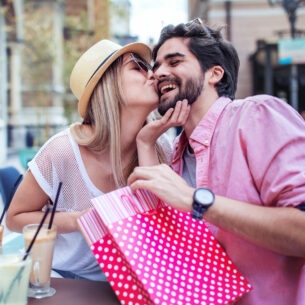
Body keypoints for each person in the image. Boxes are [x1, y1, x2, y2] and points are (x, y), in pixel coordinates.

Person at [128, 18, 305, 305]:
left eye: (174, 62)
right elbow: (161, 241)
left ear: (214, 74)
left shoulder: (257, 116)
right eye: (156, 66)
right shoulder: (176, 151)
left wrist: (195, 200)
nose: (159, 73)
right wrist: (144, 142)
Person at [6, 39, 189, 281]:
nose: (153, 73)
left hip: (126, 283)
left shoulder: (160, 145)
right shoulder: (62, 151)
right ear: (109, 86)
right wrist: (76, 219)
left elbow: (160, 233)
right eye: (137, 67)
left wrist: (146, 145)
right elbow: (14, 219)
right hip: (60, 278)